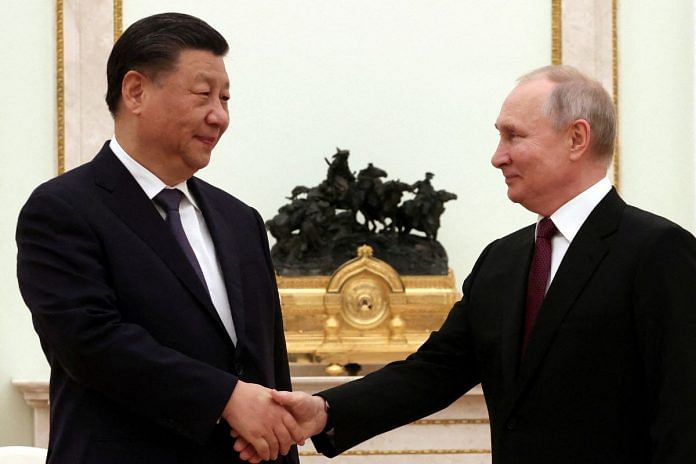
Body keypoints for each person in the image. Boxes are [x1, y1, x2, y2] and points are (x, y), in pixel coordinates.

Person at [236, 65, 696, 463]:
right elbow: (435, 371)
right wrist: (324, 412)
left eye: (513, 135)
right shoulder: (504, 259)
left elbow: (683, 416)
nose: (498, 157)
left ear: (577, 137)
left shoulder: (659, 252)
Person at [16, 13, 301, 464]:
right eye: (204, 95)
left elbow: (269, 368)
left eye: (226, 99)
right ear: (135, 91)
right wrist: (226, 397)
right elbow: (90, 343)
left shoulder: (240, 220)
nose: (220, 116)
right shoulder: (63, 209)